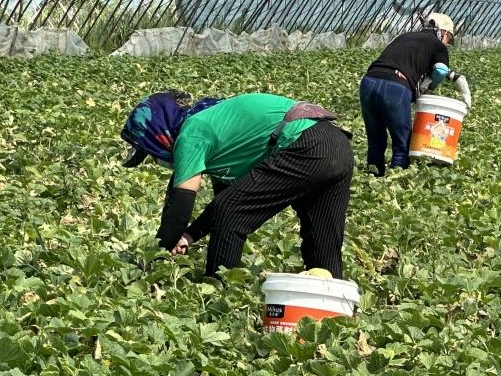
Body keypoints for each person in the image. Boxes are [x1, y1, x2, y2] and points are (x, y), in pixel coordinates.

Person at [120, 90, 354, 278]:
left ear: (158, 133)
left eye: (151, 153)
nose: (156, 160)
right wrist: (189, 236)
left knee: (230, 213)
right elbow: (222, 203)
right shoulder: (219, 133)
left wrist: (155, 258)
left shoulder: (192, 132)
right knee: (322, 238)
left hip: (307, 143)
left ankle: (219, 294)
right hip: (337, 145)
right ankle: (331, 308)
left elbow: (179, 211)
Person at [359, 12, 472, 176]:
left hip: (369, 82)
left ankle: (372, 179)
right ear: (443, 32)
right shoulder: (437, 45)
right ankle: (395, 182)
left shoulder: (404, 37)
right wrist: (431, 86)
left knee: (375, 140)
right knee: (402, 143)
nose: (447, 42)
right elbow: (441, 70)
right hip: (395, 87)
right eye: (448, 38)